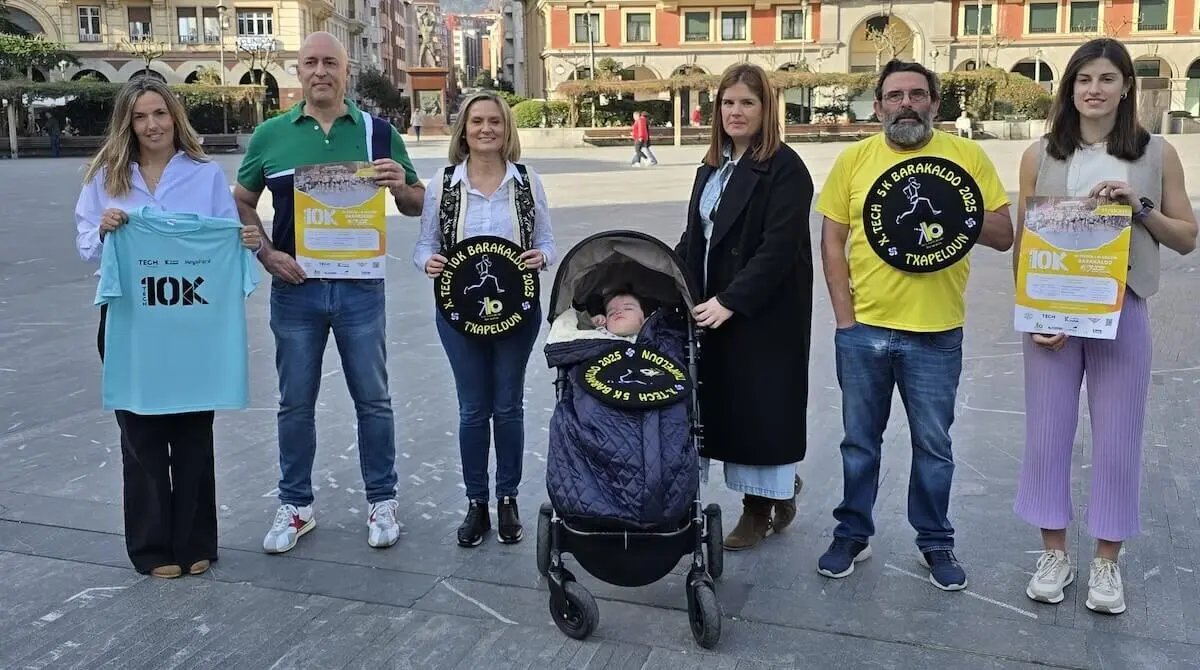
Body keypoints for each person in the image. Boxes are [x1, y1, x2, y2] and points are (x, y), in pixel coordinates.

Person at [1012, 38, 1197, 614]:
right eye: (1083, 79)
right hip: (1053, 314)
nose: (1094, 89)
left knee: (1118, 438)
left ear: (1125, 87)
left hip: (1123, 307)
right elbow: (1027, 239)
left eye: (1107, 79)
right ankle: (1053, 554)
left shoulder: (1155, 153)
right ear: (1069, 88)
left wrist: (1140, 205)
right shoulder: (1041, 154)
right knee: (1048, 434)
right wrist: (1035, 312)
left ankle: (1107, 563)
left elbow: (1187, 238)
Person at [815, 59, 1014, 590]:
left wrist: (956, 209)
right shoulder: (855, 160)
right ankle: (852, 534)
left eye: (918, 94)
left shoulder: (966, 156)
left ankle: (935, 542)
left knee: (934, 446)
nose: (907, 103)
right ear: (878, 106)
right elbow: (831, 239)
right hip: (864, 332)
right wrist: (843, 318)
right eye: (895, 95)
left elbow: (1003, 233)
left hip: (936, 332)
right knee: (860, 442)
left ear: (934, 103)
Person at [234, 32, 426, 554]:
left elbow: (416, 203)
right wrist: (268, 254)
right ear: (299, 71)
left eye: (330, 63)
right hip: (296, 289)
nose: (320, 71)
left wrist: (398, 184)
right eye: (311, 62)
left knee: (374, 399)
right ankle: (295, 505)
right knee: (295, 402)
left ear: (347, 72)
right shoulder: (270, 136)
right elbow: (242, 202)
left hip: (361, 287)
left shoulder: (378, 133)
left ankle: (381, 500)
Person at [74, 76, 262, 579]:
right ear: (127, 124)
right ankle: (153, 545)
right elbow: (87, 245)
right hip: (132, 321)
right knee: (142, 433)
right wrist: (104, 229)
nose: (152, 125)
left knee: (193, 432)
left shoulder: (203, 175)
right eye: (140, 116)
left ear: (174, 117)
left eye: (159, 113)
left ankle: (196, 539)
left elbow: (227, 238)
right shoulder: (107, 178)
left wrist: (243, 239)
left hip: (191, 322)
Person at [674, 63, 814, 551]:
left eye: (747, 103)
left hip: (762, 312)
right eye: (728, 102)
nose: (736, 111)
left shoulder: (786, 169)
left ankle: (761, 509)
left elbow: (777, 249)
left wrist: (731, 301)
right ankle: (773, 491)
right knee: (729, 409)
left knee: (761, 409)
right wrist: (659, 275)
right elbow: (697, 236)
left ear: (766, 109)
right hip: (714, 307)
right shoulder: (711, 167)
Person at [413, 92, 556, 547]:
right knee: (474, 408)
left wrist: (542, 257)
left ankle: (507, 497)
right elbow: (424, 244)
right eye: (477, 121)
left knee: (508, 405)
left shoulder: (528, 181)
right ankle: (477, 502)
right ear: (464, 130)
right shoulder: (444, 184)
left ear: (506, 129)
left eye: (495, 121)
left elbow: (548, 241)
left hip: (518, 312)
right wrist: (428, 263)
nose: (486, 129)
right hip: (458, 314)